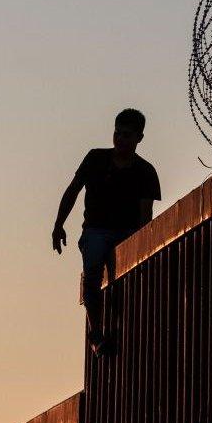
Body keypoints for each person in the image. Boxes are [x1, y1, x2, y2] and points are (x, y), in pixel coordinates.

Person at [52, 108, 161, 355]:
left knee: (125, 282)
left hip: (128, 232)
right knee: (92, 275)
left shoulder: (145, 172)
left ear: (139, 138)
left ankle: (122, 329)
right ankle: (96, 332)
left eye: (127, 135)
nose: (120, 139)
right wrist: (59, 224)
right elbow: (73, 191)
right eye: (117, 133)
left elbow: (146, 215)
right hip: (97, 230)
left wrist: (141, 243)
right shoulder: (96, 159)